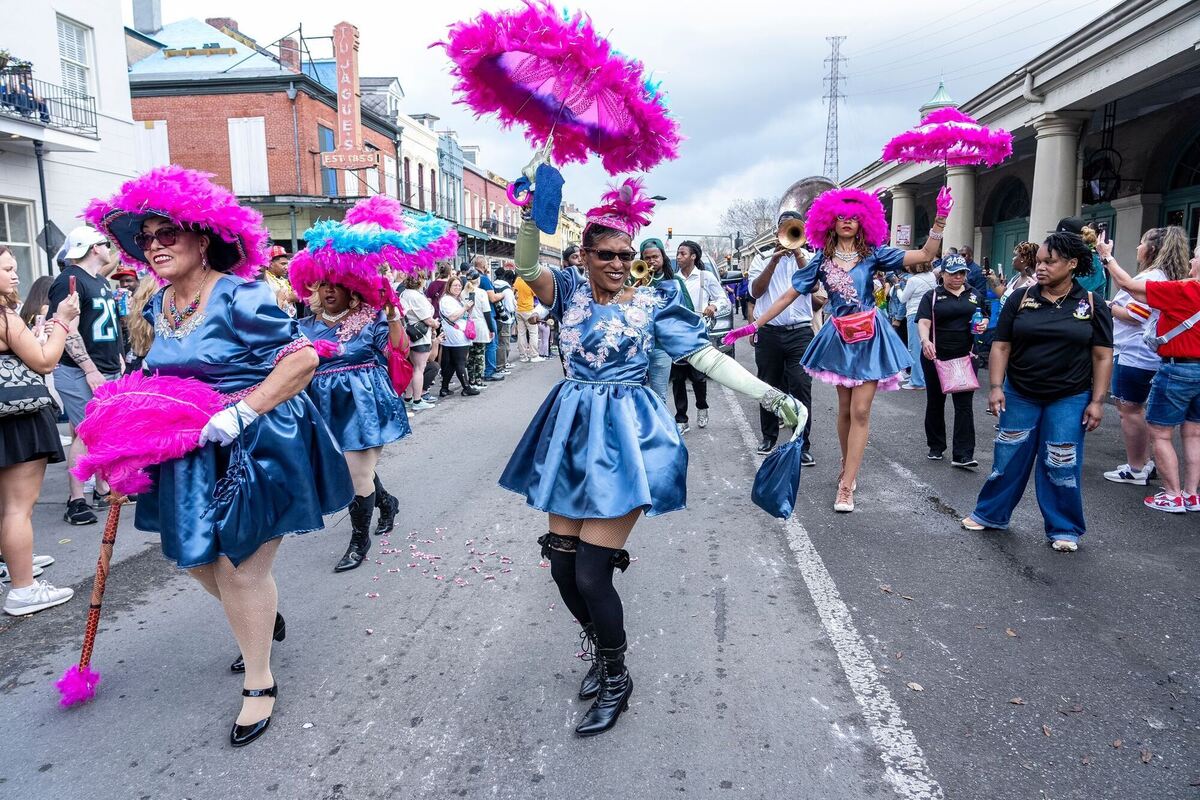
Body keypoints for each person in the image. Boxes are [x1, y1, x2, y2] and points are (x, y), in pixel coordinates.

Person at [501, 178, 803, 737]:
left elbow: (707, 358)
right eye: (607, 255)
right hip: (571, 435)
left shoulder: (655, 302)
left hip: (626, 441)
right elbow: (524, 266)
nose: (619, 264)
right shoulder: (566, 291)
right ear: (585, 255)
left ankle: (617, 677)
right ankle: (600, 649)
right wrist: (527, 215)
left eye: (626, 254)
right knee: (563, 566)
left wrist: (772, 396)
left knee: (592, 573)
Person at [87, 165, 353, 745]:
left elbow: (303, 359)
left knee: (241, 568)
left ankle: (259, 681)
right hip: (191, 449)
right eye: (146, 238)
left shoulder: (240, 294)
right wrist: (125, 437)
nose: (155, 246)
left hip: (258, 442)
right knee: (193, 558)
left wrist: (240, 412)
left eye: (168, 233)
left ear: (202, 239)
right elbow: (158, 374)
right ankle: (260, 616)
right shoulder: (158, 304)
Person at [730, 186, 954, 512]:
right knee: (846, 410)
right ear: (830, 223)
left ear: (863, 221)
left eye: (853, 217)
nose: (847, 221)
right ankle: (847, 464)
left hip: (870, 338)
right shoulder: (820, 260)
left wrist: (941, 219)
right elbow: (788, 295)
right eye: (840, 217)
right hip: (839, 339)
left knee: (861, 411)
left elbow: (924, 255)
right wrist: (754, 325)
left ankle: (847, 485)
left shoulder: (873, 254)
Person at [961, 232, 1113, 551]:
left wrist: (1097, 401)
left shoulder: (1091, 303)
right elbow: (1001, 346)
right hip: (1020, 393)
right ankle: (991, 514)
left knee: (1061, 462)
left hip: (1070, 397)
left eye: (1050, 262)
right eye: (1039, 261)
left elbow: (1102, 355)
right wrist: (996, 387)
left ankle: (1064, 528)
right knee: (1009, 456)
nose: (1041, 267)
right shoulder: (1020, 298)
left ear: (1072, 264)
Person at [298, 283, 409, 572]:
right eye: (324, 286)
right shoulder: (303, 326)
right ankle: (387, 502)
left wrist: (393, 315)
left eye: (337, 286)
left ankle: (359, 542)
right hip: (323, 406)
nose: (329, 291)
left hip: (363, 404)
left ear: (352, 291)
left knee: (356, 474)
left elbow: (398, 350)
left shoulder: (371, 318)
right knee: (352, 468)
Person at [0, 246, 81, 615]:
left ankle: (14, 560)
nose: (15, 275)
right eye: (7, 269)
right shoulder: (4, 317)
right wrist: (62, 321)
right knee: (17, 508)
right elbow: (46, 361)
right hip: (17, 418)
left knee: (6, 506)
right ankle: (23, 589)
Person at [1097, 228, 1200, 513]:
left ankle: (1172, 494)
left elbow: (1129, 288)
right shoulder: (1181, 284)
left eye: (1196, 258)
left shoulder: (1185, 289)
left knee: (1161, 433)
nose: (1191, 261)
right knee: (1193, 434)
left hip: (1174, 366)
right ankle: (1191, 495)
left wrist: (1106, 257)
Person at [48, 225, 125, 525]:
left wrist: (118, 356)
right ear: (94, 248)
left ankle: (102, 489)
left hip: (106, 368)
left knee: (101, 432)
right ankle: (76, 499)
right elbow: (67, 328)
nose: (109, 249)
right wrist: (90, 369)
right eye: (105, 244)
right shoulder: (69, 280)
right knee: (87, 432)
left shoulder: (99, 280)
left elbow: (107, 324)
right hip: (79, 371)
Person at [1102, 228, 1179, 485]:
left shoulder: (1152, 276)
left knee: (1130, 410)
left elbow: (1136, 314)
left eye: (1141, 243)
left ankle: (1136, 468)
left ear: (1152, 249)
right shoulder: (1159, 276)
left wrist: (1110, 307)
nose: (1137, 247)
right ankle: (1143, 463)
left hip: (1134, 353)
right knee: (1135, 409)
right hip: (1141, 354)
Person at [747, 213, 818, 461]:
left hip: (800, 332)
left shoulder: (808, 257)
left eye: (793, 228)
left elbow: (814, 287)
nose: (788, 232)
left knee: (801, 386)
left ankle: (802, 445)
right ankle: (769, 437)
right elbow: (756, 292)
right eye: (784, 227)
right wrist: (773, 261)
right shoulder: (761, 257)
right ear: (777, 231)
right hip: (769, 333)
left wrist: (798, 254)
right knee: (768, 387)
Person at [916, 254, 984, 467]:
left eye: (962, 273)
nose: (958, 277)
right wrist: (925, 341)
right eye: (953, 273)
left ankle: (963, 454)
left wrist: (983, 323)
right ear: (943, 274)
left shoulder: (975, 294)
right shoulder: (932, 296)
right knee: (936, 401)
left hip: (965, 356)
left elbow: (984, 315)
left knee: (964, 405)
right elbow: (924, 322)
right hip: (936, 356)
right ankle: (936, 446)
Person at [672, 240, 729, 433]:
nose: (678, 257)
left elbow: (723, 299)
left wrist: (713, 306)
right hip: (677, 334)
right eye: (678, 253)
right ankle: (681, 419)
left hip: (698, 333)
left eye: (682, 253)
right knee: (678, 378)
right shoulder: (674, 279)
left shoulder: (705, 277)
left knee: (697, 376)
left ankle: (702, 407)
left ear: (693, 256)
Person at [639, 237, 676, 402]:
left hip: (661, 346)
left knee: (659, 397)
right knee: (632, 395)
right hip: (636, 347)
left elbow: (686, 310)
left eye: (655, 257)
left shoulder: (674, 281)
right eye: (647, 258)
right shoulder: (633, 280)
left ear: (663, 257)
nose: (651, 261)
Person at [401, 274, 440, 410]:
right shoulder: (416, 296)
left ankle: (408, 398)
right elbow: (428, 319)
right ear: (421, 280)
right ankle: (417, 400)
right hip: (420, 336)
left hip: (409, 334)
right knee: (419, 368)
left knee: (412, 368)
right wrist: (435, 324)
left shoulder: (404, 294)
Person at [899, 260, 938, 390]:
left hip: (914, 314)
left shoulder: (913, 280)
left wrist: (898, 288)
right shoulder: (931, 276)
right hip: (930, 313)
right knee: (926, 346)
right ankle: (924, 378)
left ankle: (917, 381)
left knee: (915, 348)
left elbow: (903, 298)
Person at [438, 276, 477, 396]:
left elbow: (464, 315)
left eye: (459, 285)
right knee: (460, 362)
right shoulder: (446, 300)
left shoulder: (456, 299)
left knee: (452, 363)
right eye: (455, 285)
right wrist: (465, 307)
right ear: (449, 286)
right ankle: (466, 388)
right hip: (456, 336)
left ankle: (444, 388)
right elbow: (452, 317)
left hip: (456, 335)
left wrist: (469, 308)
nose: (458, 287)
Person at [464, 272, 492, 388]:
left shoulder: (463, 293)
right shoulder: (481, 293)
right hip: (480, 325)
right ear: (478, 280)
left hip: (467, 326)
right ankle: (478, 380)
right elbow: (487, 312)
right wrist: (491, 329)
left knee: (470, 355)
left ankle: (471, 379)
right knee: (480, 354)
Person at [491, 267, 517, 376]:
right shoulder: (507, 290)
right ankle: (501, 366)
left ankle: (500, 364)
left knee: (497, 342)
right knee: (504, 344)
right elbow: (510, 307)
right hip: (505, 319)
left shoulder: (494, 285)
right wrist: (515, 304)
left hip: (496, 317)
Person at [514, 269, 543, 363]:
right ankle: (534, 355)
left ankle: (523, 356)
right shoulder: (529, 282)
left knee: (521, 334)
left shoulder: (517, 280)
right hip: (529, 310)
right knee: (533, 333)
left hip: (518, 310)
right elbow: (535, 294)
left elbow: (515, 293)